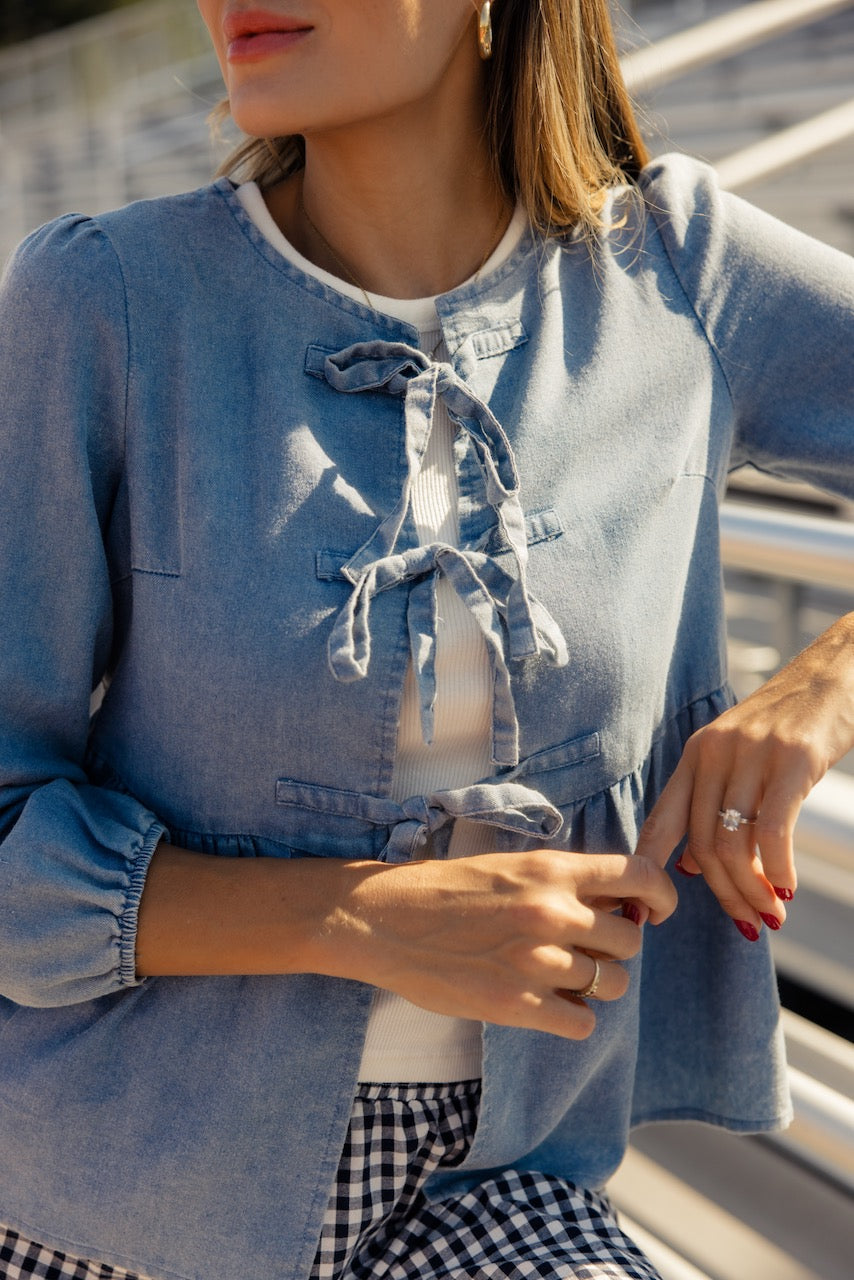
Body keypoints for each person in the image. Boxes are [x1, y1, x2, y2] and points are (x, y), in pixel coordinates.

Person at [0, 1, 851, 1277]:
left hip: (501, 1173)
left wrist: (820, 688)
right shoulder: (105, 303)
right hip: (115, 1188)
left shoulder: (680, 271)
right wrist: (353, 918)